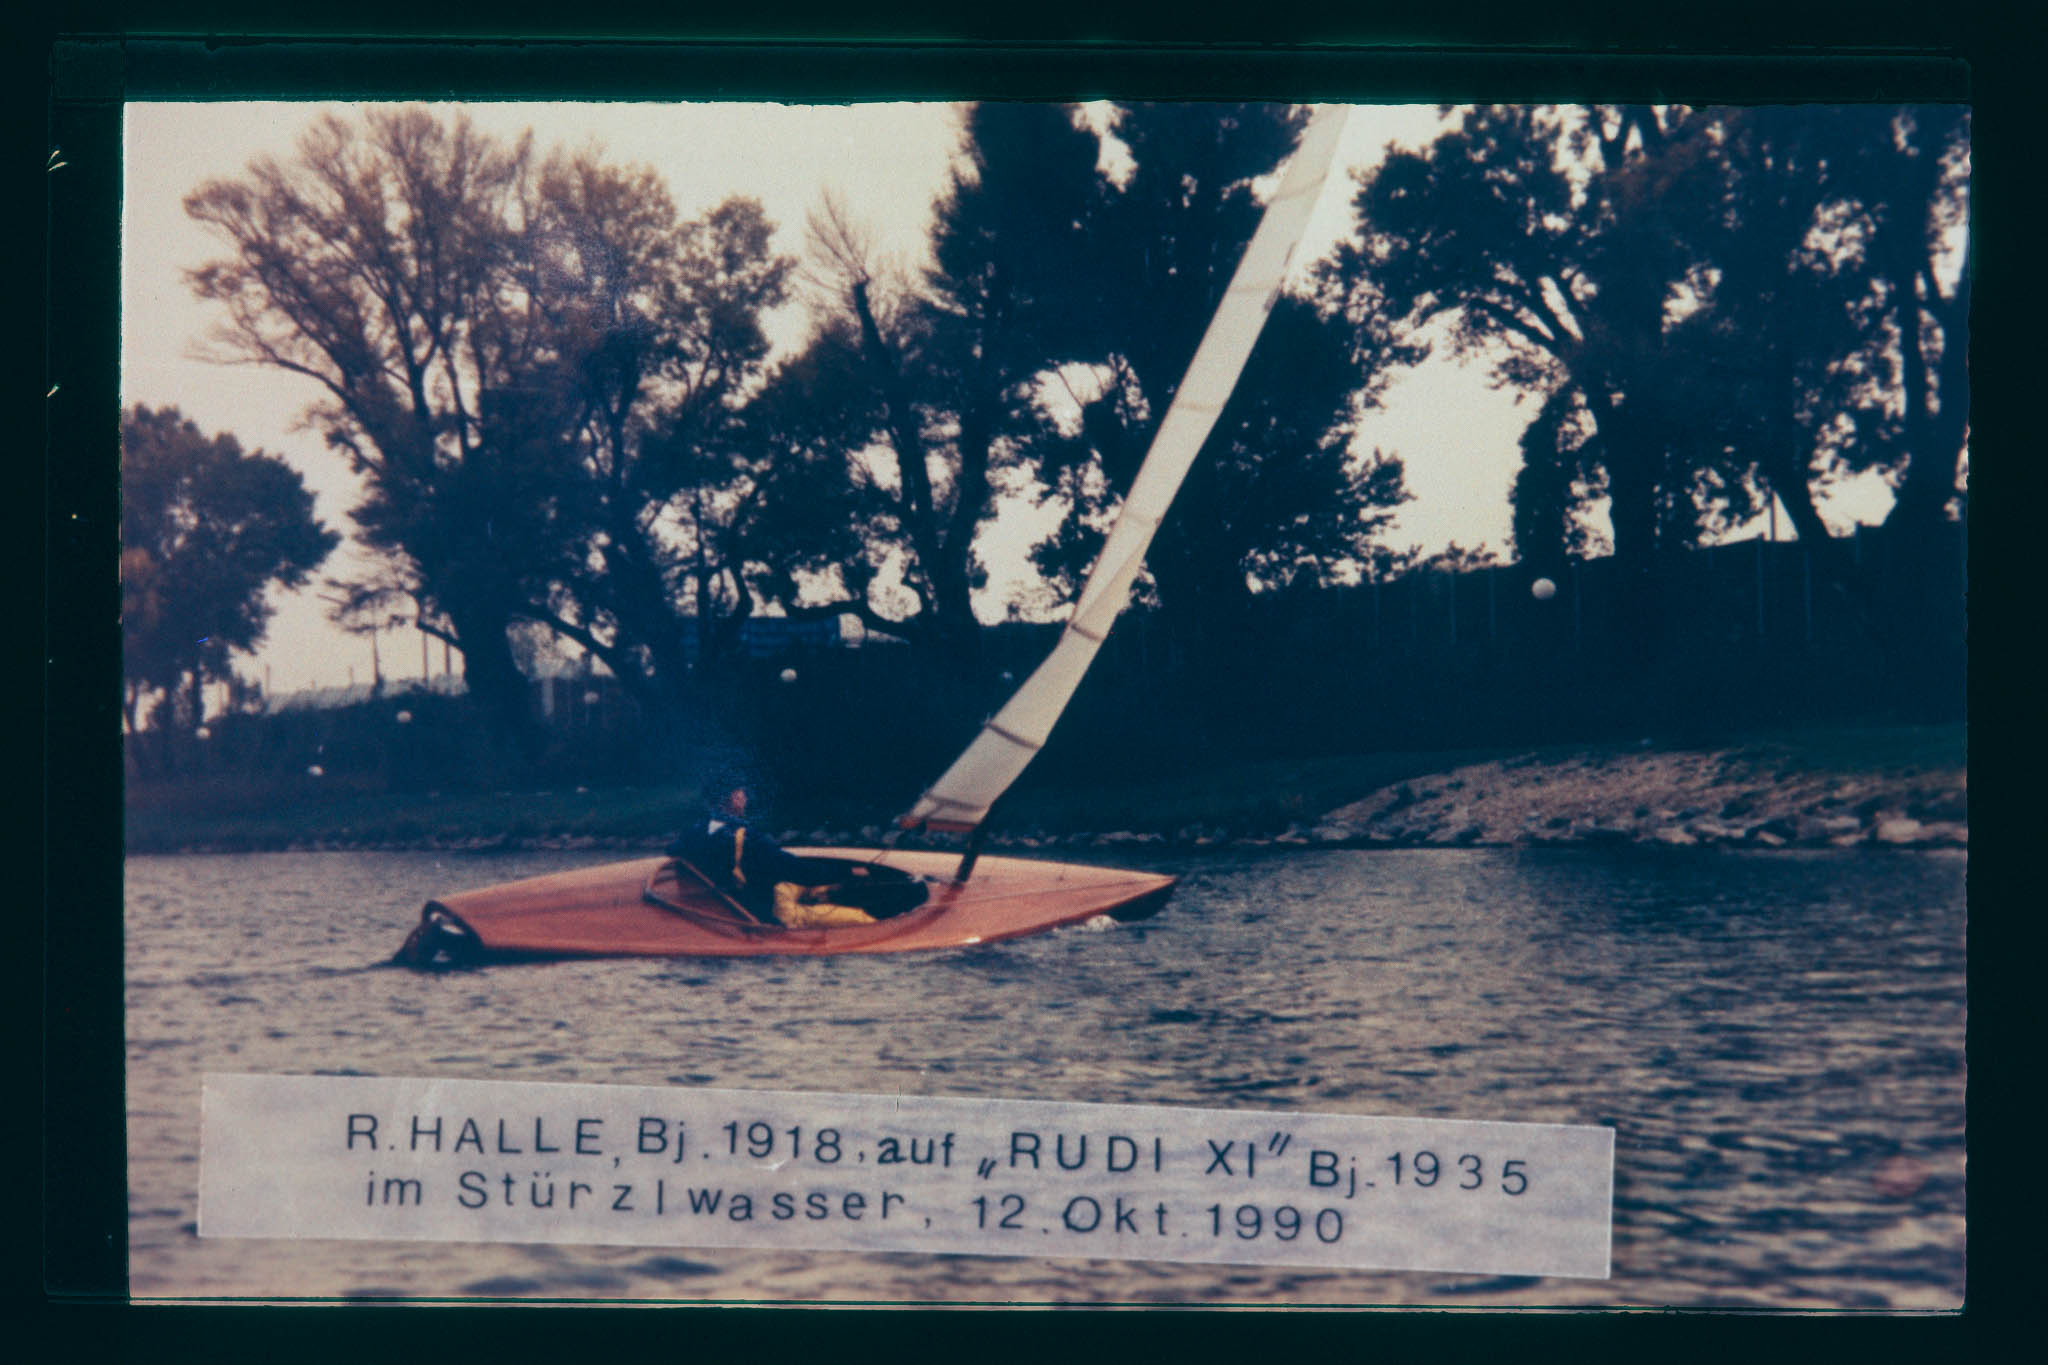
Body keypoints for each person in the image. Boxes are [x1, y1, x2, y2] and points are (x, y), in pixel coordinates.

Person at [669, 786, 877, 928]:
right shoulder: (749, 840)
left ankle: (825, 892)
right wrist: (847, 872)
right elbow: (799, 871)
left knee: (806, 887)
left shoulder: (693, 833)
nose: (745, 799)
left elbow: (672, 850)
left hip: (721, 902)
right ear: (734, 798)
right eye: (742, 794)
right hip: (764, 913)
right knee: (862, 918)